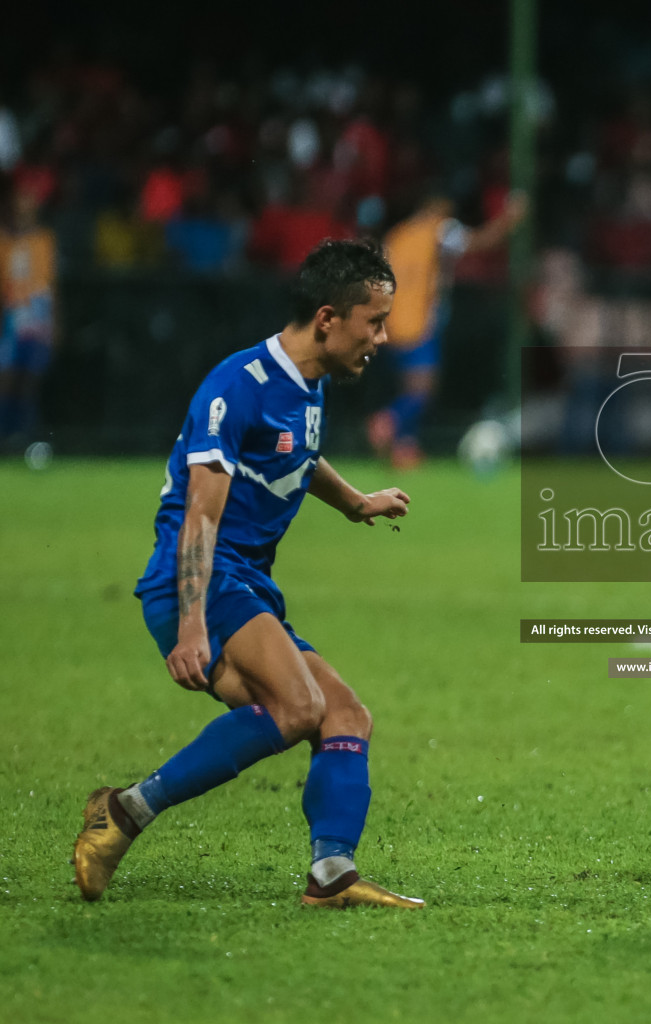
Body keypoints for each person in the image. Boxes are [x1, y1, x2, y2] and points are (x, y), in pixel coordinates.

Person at [71, 239, 423, 910]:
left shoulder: (307, 384)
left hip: (246, 584)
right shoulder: (238, 386)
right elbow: (201, 518)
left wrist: (354, 502)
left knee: (345, 714)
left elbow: (298, 454)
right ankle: (124, 813)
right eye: (372, 321)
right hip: (197, 581)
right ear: (327, 318)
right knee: (299, 708)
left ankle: (331, 875)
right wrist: (194, 626)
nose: (381, 337)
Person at [367, 188, 526, 469]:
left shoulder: (398, 235)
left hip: (390, 322)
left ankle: (405, 449)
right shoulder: (439, 229)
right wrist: (509, 219)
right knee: (423, 389)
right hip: (418, 323)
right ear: (437, 207)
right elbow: (479, 242)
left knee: (409, 385)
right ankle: (390, 419)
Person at [0, 185, 55, 456]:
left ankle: (24, 438)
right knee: (4, 377)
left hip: (38, 318)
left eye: (27, 210)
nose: (22, 215)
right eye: (18, 210)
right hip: (9, 319)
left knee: (30, 379)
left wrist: (55, 321)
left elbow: (50, 283)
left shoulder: (44, 240)